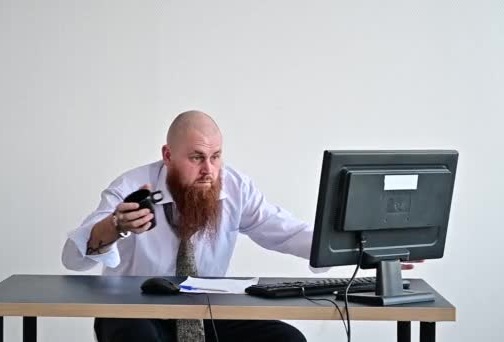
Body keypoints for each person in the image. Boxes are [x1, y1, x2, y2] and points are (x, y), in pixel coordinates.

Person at [61, 110, 314, 342]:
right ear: (167, 155)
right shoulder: (131, 186)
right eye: (196, 158)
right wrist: (116, 225)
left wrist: (342, 245)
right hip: (134, 311)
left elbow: (286, 232)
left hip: (206, 311)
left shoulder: (236, 188)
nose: (209, 170)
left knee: (287, 339)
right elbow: (73, 258)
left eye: (215, 157)